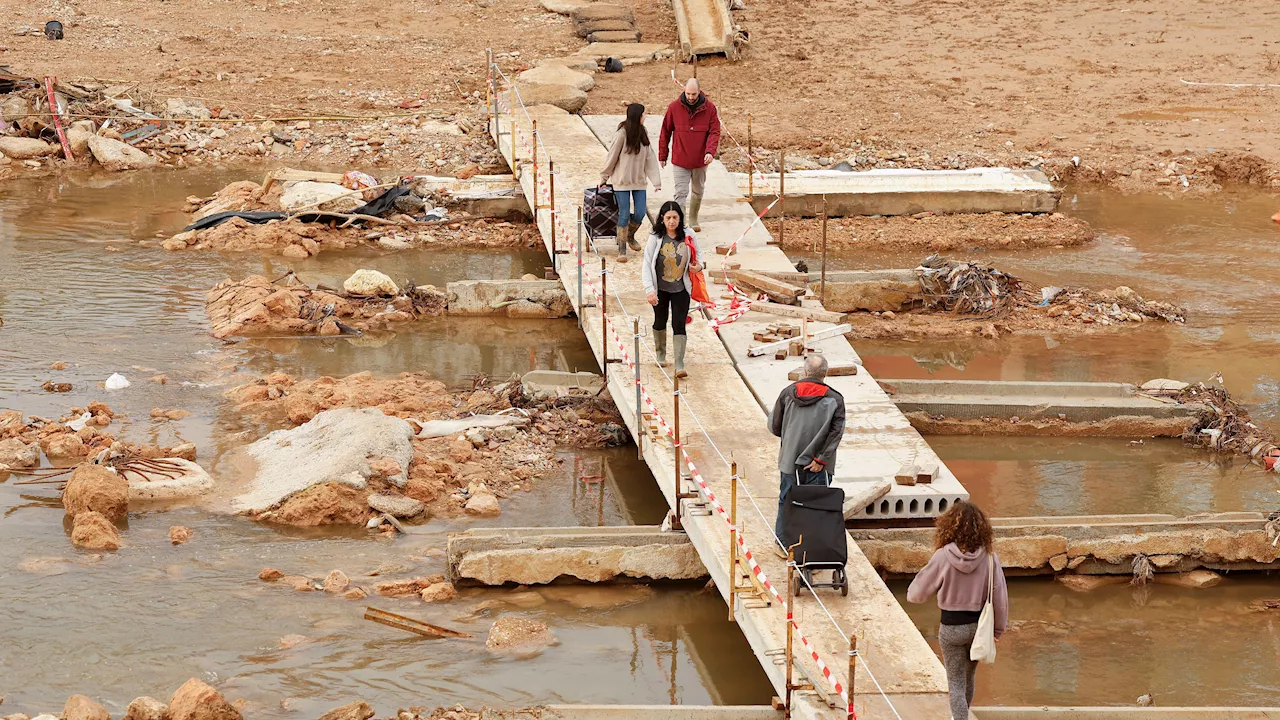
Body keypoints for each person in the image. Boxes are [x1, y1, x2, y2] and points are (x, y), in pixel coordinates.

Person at [907, 501, 1009, 720]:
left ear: (948, 527)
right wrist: (998, 630)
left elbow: (915, 595)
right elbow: (1000, 598)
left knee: (954, 682)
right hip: (979, 628)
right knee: (968, 678)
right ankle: (962, 716)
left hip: (951, 628)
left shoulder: (943, 556)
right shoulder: (991, 559)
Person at [767, 354, 845, 547]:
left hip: (789, 461)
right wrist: (821, 459)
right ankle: (812, 548)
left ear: (805, 371)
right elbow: (836, 433)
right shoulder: (835, 399)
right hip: (819, 466)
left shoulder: (788, 393)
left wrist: (791, 439)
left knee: (786, 500)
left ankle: (783, 544)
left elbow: (775, 426)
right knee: (817, 505)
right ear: (825, 373)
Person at [641, 200, 702, 378]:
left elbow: (699, 255)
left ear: (680, 218)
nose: (672, 221)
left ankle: (679, 364)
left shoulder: (688, 234)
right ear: (662, 219)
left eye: (675, 217)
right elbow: (646, 264)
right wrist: (649, 289)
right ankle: (660, 354)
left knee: (679, 323)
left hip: (681, 287)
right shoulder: (655, 237)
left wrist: (698, 266)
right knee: (660, 320)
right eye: (668, 218)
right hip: (660, 288)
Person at [600, 103, 662, 262]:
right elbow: (612, 156)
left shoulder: (643, 133)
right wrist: (604, 177)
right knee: (624, 213)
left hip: (639, 182)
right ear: (637, 116)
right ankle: (622, 249)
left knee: (640, 213)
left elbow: (650, 157)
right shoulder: (621, 134)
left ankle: (629, 235)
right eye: (644, 114)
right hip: (622, 182)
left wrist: (656, 181)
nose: (646, 116)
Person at [658, 78, 721, 232]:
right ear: (684, 90)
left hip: (700, 160)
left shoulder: (710, 109)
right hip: (680, 159)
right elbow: (665, 131)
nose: (691, 97)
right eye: (688, 93)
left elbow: (714, 132)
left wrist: (710, 152)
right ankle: (681, 224)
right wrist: (662, 155)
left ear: (699, 92)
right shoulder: (674, 108)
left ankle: (693, 218)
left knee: (698, 190)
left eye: (694, 94)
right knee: (680, 193)